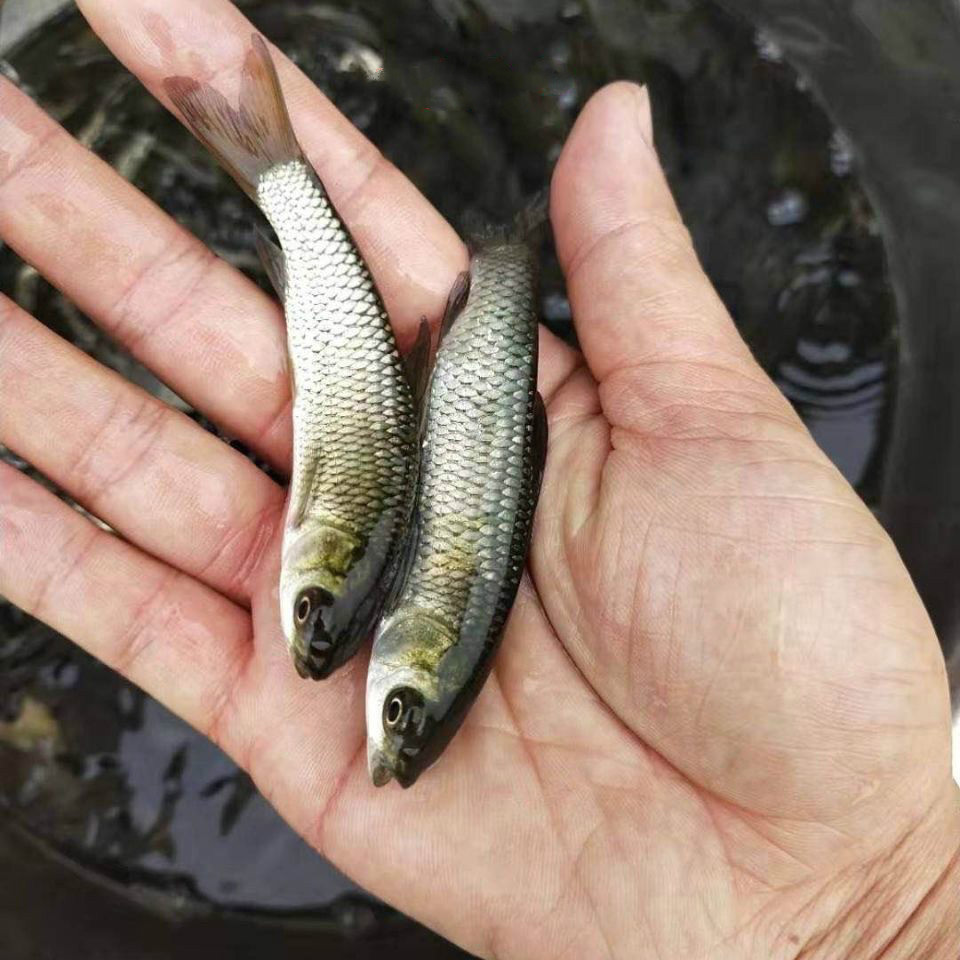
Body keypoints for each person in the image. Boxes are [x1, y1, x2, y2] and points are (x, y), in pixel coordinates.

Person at [0, 1, 957, 956]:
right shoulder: (378, 581)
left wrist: (880, 902)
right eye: (406, 709)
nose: (383, 717)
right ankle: (298, 178)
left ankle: (303, 178)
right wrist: (877, 900)